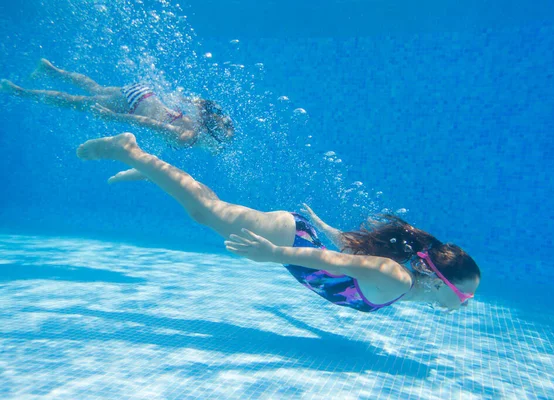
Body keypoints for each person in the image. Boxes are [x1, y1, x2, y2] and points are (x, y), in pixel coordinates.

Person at [76, 132, 481, 312]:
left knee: (210, 207)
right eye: (464, 297)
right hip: (290, 240)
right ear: (438, 280)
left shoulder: (409, 290)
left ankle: (156, 172)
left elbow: (348, 254)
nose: (467, 304)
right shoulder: (399, 280)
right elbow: (334, 262)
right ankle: (131, 150)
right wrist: (272, 255)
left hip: (297, 239)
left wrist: (325, 228)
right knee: (206, 212)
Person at [0, 58, 234, 152]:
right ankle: (19, 91)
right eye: (220, 144)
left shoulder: (196, 122)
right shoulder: (186, 137)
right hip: (134, 106)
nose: (219, 149)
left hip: (143, 92)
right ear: (209, 137)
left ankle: (50, 69)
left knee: (96, 89)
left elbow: (197, 104)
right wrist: (113, 118)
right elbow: (147, 122)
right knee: (76, 103)